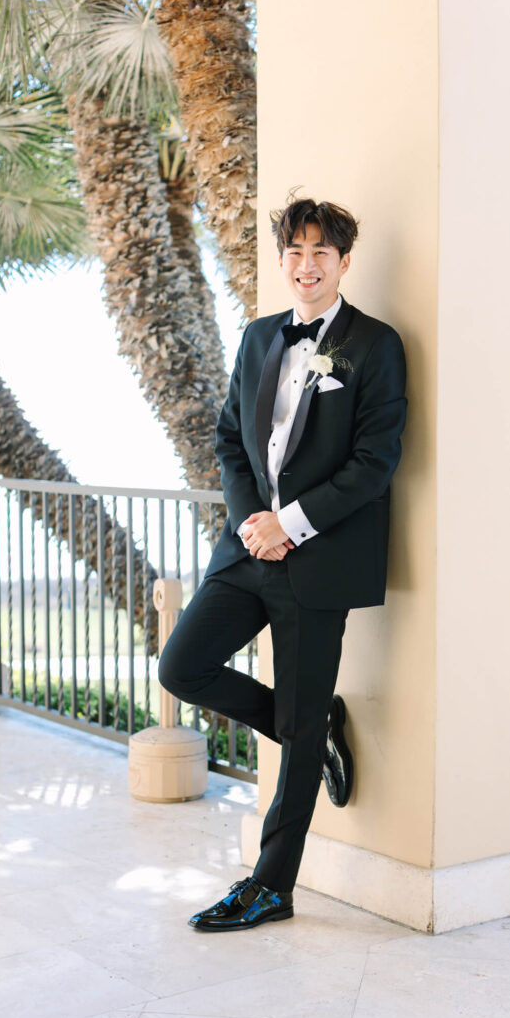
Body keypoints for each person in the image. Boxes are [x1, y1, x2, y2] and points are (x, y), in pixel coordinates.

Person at [158, 196, 408, 931]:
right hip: (246, 551)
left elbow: (375, 463)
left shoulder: (376, 345)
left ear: (344, 262)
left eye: (320, 254)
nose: (306, 266)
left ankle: (271, 886)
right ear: (282, 261)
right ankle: (309, 727)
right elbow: (231, 439)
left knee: (297, 735)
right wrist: (250, 524)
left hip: (320, 559)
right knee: (182, 667)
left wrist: (290, 526)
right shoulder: (260, 335)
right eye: (295, 253)